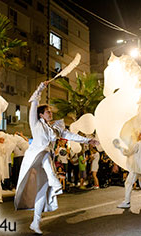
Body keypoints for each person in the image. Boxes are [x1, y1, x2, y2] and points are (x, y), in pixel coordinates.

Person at [14, 81, 98, 234]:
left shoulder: (55, 129)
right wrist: (41, 87)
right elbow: (34, 102)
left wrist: (88, 140)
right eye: (48, 112)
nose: (51, 113)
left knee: (42, 191)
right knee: (45, 152)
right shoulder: (35, 123)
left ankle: (35, 222)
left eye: (51, 111)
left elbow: (71, 135)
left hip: (46, 162)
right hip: (35, 158)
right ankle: (54, 180)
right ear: (41, 114)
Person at [114, 132, 141, 209]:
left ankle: (127, 202)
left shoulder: (139, 144)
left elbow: (128, 152)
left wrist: (119, 147)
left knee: (128, 183)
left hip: (136, 168)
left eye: (140, 134)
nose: (138, 135)